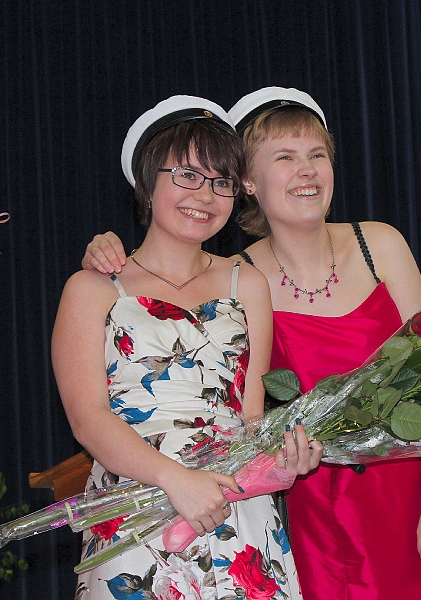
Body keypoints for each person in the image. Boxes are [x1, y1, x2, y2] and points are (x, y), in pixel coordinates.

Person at [81, 88, 421, 599]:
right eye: (285, 157)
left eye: (317, 155)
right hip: (323, 508)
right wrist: (105, 252)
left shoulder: (381, 244)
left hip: (420, 485)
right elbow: (172, 310)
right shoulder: (238, 280)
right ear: (248, 182)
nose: (307, 171)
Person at [53, 95, 321, 599]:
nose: (206, 195)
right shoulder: (91, 289)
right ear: (147, 181)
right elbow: (88, 419)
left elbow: (250, 417)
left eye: (221, 181)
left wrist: (282, 461)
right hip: (138, 505)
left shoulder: (248, 284)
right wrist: (174, 479)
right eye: (187, 175)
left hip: (235, 506)